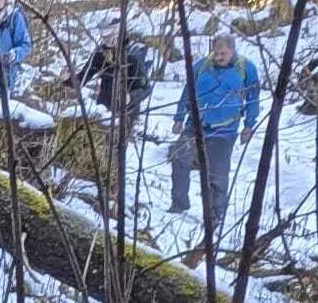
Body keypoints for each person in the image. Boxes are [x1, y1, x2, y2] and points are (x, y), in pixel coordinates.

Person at [170, 30, 261, 223]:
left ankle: (215, 215)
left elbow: (253, 98)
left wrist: (249, 125)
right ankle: (179, 204)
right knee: (179, 158)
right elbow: (188, 90)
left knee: (217, 174)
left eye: (223, 54)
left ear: (232, 51)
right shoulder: (202, 65)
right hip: (195, 124)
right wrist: (179, 116)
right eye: (216, 53)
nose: (218, 57)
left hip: (224, 130)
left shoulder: (246, 68)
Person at [79, 19, 154, 136]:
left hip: (126, 113)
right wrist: (68, 79)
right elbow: (82, 78)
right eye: (104, 36)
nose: (106, 40)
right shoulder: (99, 56)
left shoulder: (132, 57)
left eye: (110, 35)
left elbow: (145, 88)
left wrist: (130, 98)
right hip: (103, 110)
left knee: (116, 148)